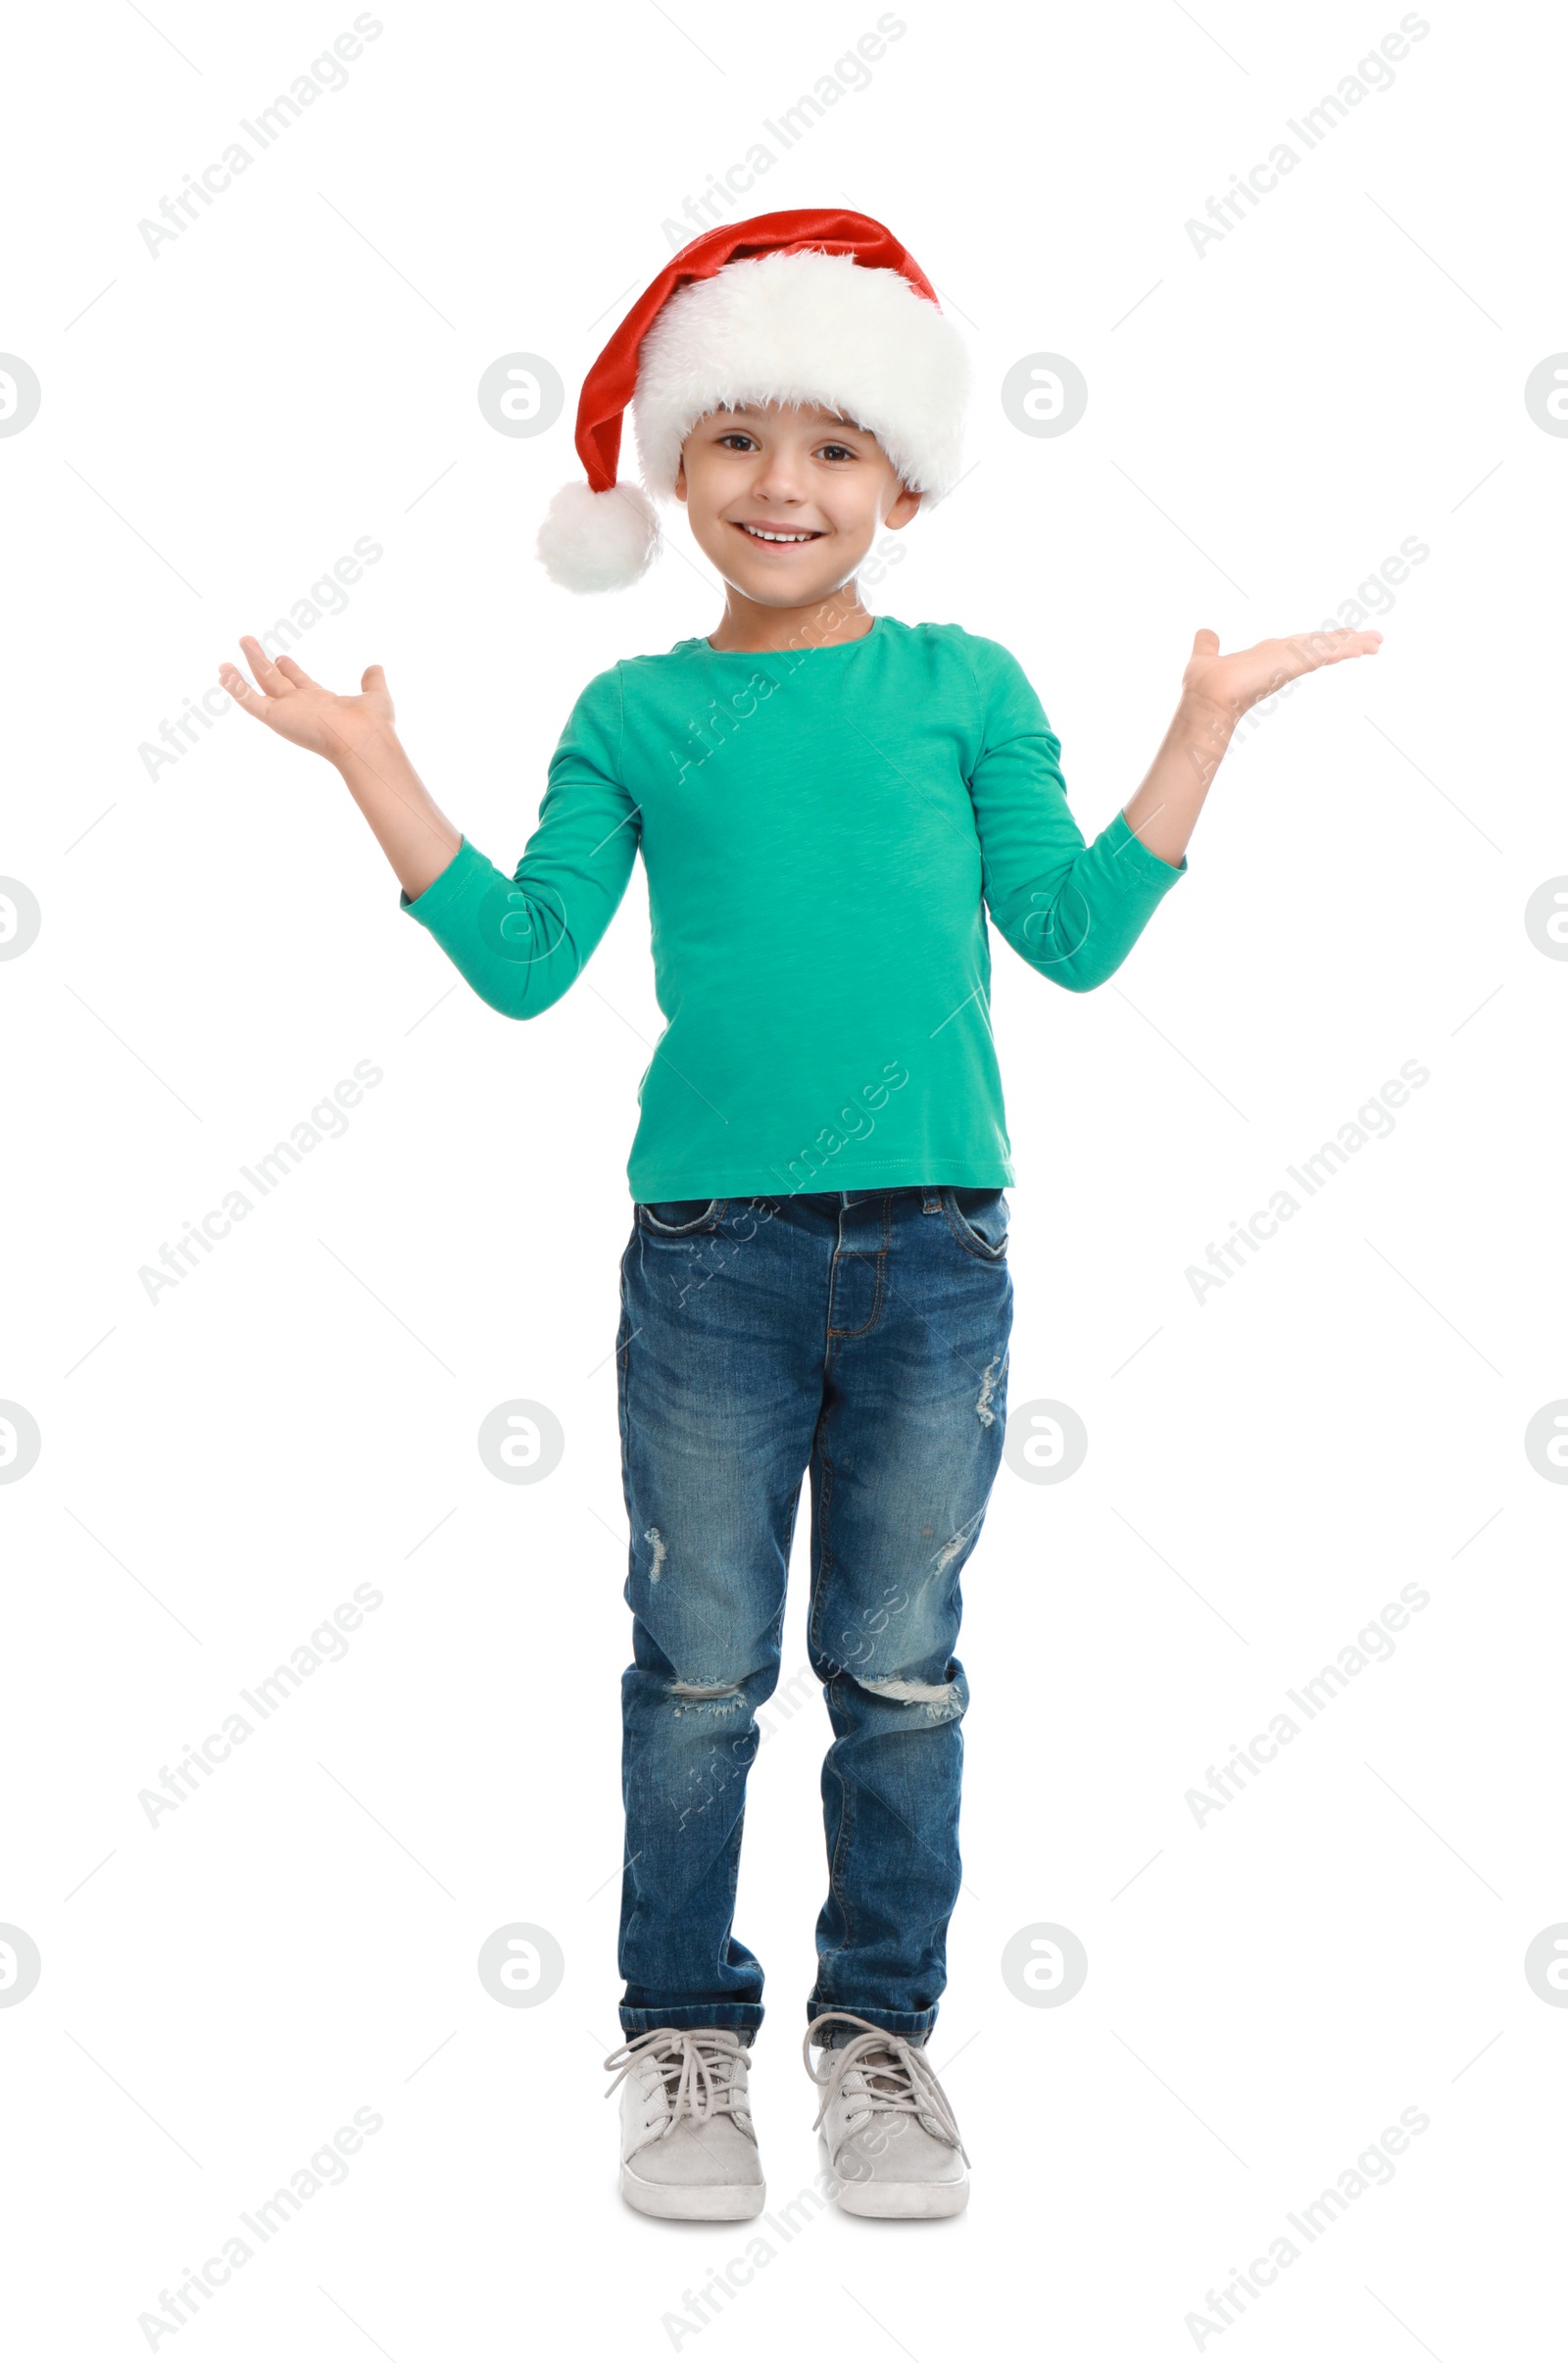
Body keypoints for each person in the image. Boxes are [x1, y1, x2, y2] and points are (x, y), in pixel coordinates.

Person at [218, 207, 1380, 2225]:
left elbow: (1075, 938)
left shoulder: (965, 683)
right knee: (692, 1665)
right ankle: (681, 2036)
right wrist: (371, 764)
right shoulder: (634, 714)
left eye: (832, 447)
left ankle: (877, 2044)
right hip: (711, 1265)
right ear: (674, 473)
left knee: (898, 1664)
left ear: (902, 481)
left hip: (936, 1252)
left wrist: (1196, 730)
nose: (782, 484)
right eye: (738, 439)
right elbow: (517, 959)